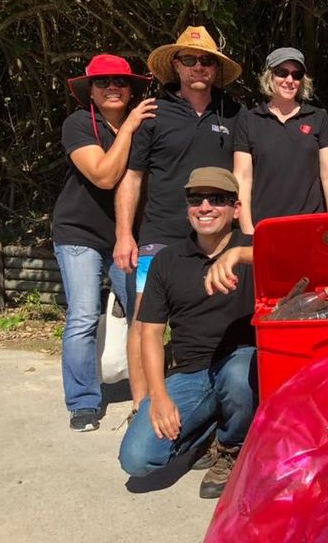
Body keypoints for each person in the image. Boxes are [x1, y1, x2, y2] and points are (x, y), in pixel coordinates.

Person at [113, 26, 243, 414]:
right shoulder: (153, 113)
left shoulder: (234, 113)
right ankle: (143, 405)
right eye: (190, 59)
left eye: (206, 60)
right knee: (144, 319)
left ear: (216, 68)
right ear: (176, 65)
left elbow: (247, 172)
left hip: (217, 237)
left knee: (218, 320)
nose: (198, 66)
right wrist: (124, 234)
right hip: (160, 234)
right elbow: (131, 178)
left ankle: (210, 403)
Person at [118, 167, 256, 500]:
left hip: (241, 362)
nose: (205, 206)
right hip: (190, 372)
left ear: (236, 209)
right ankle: (207, 430)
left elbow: (299, 258)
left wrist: (238, 254)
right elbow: (149, 333)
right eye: (197, 198)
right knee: (136, 460)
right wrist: (158, 395)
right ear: (187, 207)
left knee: (238, 377)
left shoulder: (254, 248)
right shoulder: (166, 260)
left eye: (217, 199)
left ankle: (231, 445)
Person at [53, 54, 155, 431]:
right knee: (82, 315)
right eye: (103, 82)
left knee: (144, 313)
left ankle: (143, 390)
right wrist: (127, 128)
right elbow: (104, 176)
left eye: (121, 82)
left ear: (131, 90)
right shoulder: (78, 124)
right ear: (91, 93)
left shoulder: (148, 126)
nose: (113, 87)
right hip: (79, 233)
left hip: (129, 236)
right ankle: (83, 401)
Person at [233, 47, 328, 232]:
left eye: (296, 75)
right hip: (265, 227)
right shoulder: (249, 120)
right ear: (269, 76)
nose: (289, 80)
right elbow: (242, 178)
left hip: (312, 225)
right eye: (282, 73)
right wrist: (247, 229)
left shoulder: (318, 117)